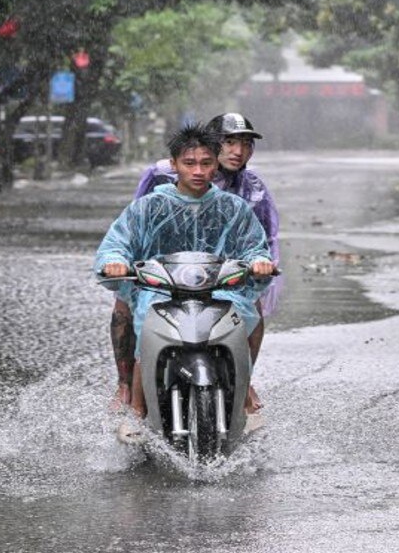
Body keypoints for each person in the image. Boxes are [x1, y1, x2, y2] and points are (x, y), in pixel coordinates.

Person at [96, 124, 275, 419]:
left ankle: (242, 388)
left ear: (216, 163)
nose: (198, 171)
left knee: (248, 314)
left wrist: (259, 261)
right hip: (161, 288)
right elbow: (118, 242)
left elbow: (255, 245)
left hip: (219, 288)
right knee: (145, 316)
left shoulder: (235, 207)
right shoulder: (149, 206)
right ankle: (137, 408)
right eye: (189, 163)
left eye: (206, 163)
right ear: (174, 164)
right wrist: (115, 260)